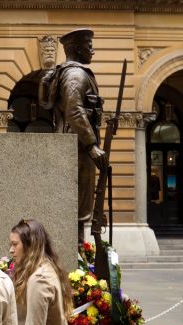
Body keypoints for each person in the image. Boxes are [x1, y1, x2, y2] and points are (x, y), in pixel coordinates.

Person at [54, 28, 107, 244]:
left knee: (79, 207)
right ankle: (77, 256)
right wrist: (92, 144)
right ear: (76, 48)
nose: (92, 51)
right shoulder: (75, 75)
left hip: (76, 146)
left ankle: (79, 256)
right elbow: (74, 111)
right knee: (77, 208)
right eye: (89, 45)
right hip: (76, 147)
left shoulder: (71, 73)